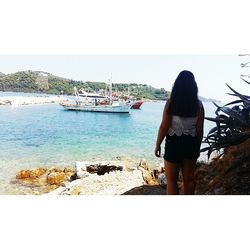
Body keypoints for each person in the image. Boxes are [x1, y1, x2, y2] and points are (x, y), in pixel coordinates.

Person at [155, 70, 204, 195]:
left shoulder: (171, 103)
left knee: (172, 182)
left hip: (173, 143)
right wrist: (197, 147)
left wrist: (158, 144)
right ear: (194, 86)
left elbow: (164, 127)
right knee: (189, 179)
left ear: (176, 85)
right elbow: (199, 130)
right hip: (191, 143)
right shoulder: (198, 105)